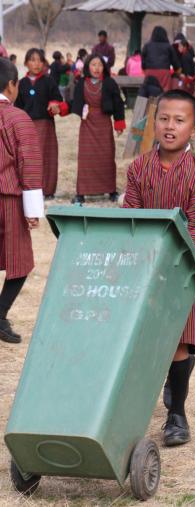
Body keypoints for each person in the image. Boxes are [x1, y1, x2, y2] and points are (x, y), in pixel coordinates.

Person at [123, 89, 195, 446]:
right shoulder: (139, 168)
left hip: (182, 273)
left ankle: (177, 413)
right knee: (141, 340)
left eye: (180, 120)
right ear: (153, 122)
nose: (170, 127)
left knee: (179, 341)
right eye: (163, 118)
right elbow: (129, 219)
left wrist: (190, 273)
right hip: (143, 270)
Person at [0, 57, 44, 344]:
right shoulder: (17, 118)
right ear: (13, 85)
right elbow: (29, 164)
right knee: (21, 261)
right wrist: (33, 211)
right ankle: (0, 314)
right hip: (8, 200)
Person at [71, 54, 125, 204]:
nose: (97, 68)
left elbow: (118, 103)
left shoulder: (109, 83)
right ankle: (81, 193)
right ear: (88, 66)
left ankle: (111, 190)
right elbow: (73, 101)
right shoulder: (81, 83)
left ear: (104, 67)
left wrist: (119, 123)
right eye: (93, 64)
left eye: (100, 65)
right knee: (85, 157)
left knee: (107, 156)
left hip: (104, 123)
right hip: (87, 123)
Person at [15, 48, 69, 199]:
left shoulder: (48, 81)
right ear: (26, 63)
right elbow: (17, 106)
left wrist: (54, 105)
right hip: (26, 126)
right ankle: (29, 188)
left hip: (45, 125)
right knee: (27, 158)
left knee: (46, 156)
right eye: (32, 60)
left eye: (40, 60)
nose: (36, 63)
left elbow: (58, 98)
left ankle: (47, 190)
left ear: (44, 63)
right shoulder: (21, 84)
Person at [141, 26, 180, 92]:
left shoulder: (147, 46)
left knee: (151, 92)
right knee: (164, 91)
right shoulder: (168, 46)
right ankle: (163, 102)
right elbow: (175, 63)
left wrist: (145, 69)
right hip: (164, 72)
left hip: (150, 72)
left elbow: (143, 61)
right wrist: (176, 72)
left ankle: (152, 102)